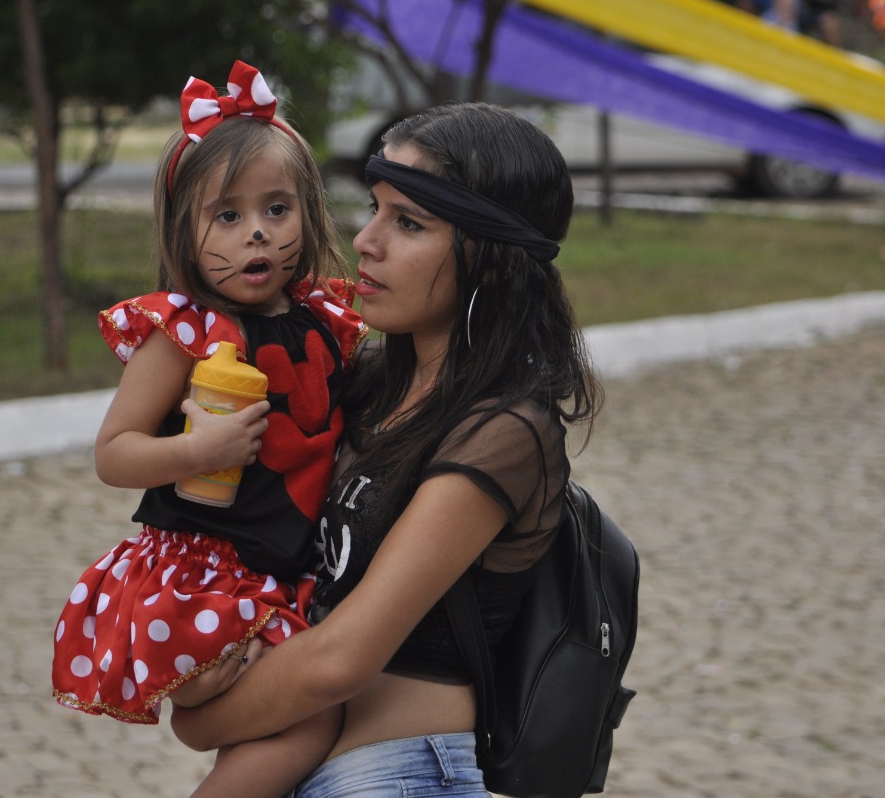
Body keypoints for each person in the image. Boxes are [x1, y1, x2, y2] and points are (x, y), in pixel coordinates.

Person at [171, 101, 602, 797]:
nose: (366, 240)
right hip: (294, 765)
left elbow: (342, 658)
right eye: (374, 208)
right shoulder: (365, 383)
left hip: (396, 776)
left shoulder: (504, 434)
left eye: (408, 223)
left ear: (491, 259)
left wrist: (199, 718)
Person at [50, 60, 367, 798]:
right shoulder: (186, 333)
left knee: (291, 728)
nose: (256, 233)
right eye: (227, 216)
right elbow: (113, 453)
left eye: (276, 210)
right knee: (308, 725)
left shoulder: (326, 319)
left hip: (288, 569)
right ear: (185, 235)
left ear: (310, 212)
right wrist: (199, 449)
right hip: (206, 580)